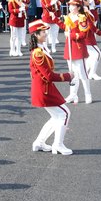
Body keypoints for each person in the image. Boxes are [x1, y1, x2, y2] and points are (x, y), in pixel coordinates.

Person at [27, 20, 75, 155]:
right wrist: (67, 76)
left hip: (44, 88)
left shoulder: (41, 49)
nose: (46, 34)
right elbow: (48, 75)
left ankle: (39, 142)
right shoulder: (38, 53)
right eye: (43, 32)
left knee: (56, 116)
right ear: (36, 35)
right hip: (44, 89)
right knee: (64, 113)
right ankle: (58, 145)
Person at [63, 0, 92, 104]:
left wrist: (70, 35)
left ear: (78, 7)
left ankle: (88, 94)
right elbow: (64, 27)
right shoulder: (68, 17)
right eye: (70, 5)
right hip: (69, 47)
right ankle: (73, 95)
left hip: (78, 47)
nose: (70, 7)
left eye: (73, 5)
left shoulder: (82, 18)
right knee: (72, 73)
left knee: (82, 73)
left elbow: (84, 34)